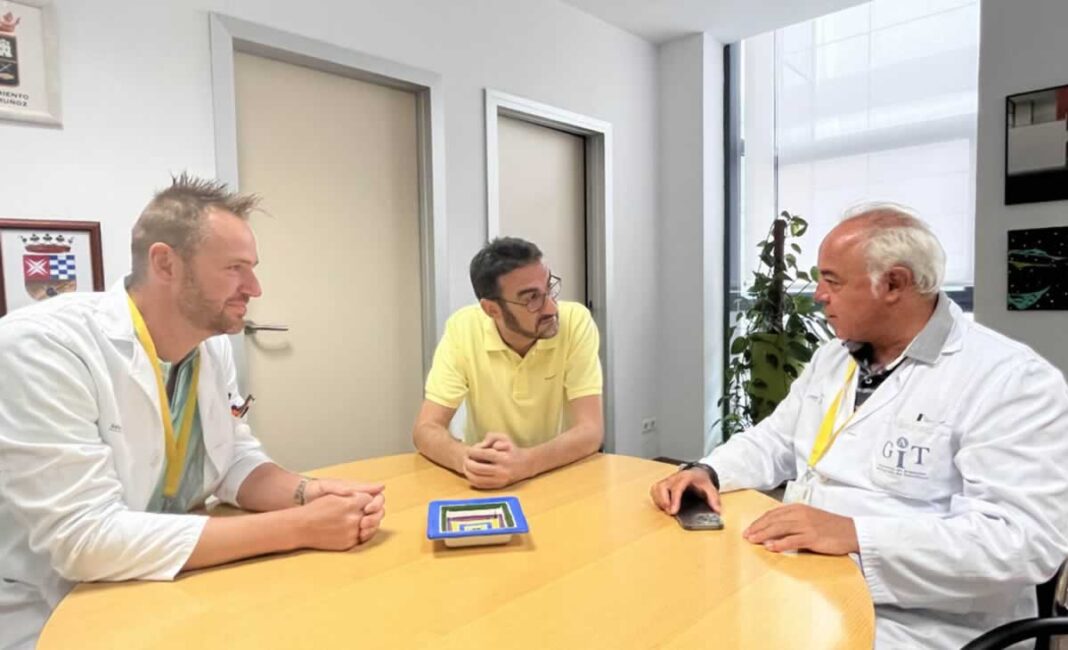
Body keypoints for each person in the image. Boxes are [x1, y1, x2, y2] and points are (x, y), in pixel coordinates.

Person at [650, 203, 1068, 648]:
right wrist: (708, 471)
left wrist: (856, 535)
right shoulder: (835, 357)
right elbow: (775, 439)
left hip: (921, 624)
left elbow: (1022, 543)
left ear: (894, 284)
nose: (817, 295)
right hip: (808, 581)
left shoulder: (1010, 379)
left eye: (832, 281)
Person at [0, 174, 386, 650]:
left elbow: (232, 459)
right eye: (235, 269)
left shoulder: (209, 346)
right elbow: (85, 541)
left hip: (161, 591)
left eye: (252, 269)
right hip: (54, 613)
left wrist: (307, 492)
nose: (255, 288)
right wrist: (300, 527)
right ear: (165, 263)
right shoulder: (41, 347)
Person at [413, 237, 603, 489]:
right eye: (531, 299)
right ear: (492, 310)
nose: (551, 308)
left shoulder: (575, 322)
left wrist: (526, 463)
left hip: (559, 473)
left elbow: (591, 430)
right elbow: (426, 428)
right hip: (488, 482)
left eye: (549, 288)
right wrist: (467, 459)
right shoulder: (463, 328)